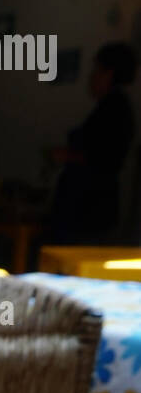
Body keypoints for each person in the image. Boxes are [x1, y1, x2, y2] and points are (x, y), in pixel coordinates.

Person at [47, 42, 137, 245]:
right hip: (88, 209)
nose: (91, 77)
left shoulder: (116, 110)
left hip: (88, 209)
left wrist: (68, 156)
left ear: (109, 73)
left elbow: (106, 157)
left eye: (97, 70)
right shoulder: (110, 109)